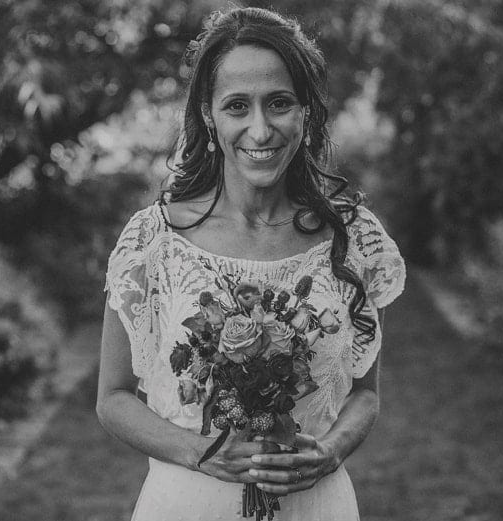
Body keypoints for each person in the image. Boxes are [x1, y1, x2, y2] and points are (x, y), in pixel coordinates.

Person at [96, 7, 405, 520]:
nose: (260, 130)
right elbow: (112, 398)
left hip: (315, 505)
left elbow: (365, 395)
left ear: (305, 113)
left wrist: (330, 451)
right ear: (208, 116)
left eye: (279, 103)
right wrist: (201, 452)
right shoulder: (155, 240)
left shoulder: (352, 239)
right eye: (237, 106)